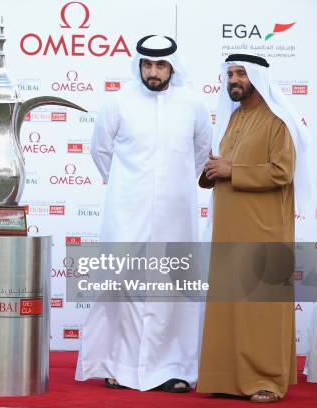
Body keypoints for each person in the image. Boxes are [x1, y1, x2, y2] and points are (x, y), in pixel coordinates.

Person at [75, 35, 212, 392]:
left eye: (161, 65)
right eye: (147, 65)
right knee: (121, 285)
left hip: (176, 214)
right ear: (139, 65)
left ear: (173, 66)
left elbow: (201, 152)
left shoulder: (194, 104)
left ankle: (173, 367)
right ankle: (118, 365)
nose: (153, 72)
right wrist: (127, 187)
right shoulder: (117, 102)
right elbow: (100, 151)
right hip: (126, 211)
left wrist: (171, 186)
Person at [197, 54, 313, 402]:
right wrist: (213, 170)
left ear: (258, 78)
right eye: (230, 73)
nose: (234, 79)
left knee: (260, 306)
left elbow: (282, 172)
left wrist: (233, 170)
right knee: (229, 304)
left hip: (263, 229)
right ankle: (227, 379)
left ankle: (266, 381)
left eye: (241, 74)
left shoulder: (279, 121)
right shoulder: (233, 119)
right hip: (229, 229)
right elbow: (223, 166)